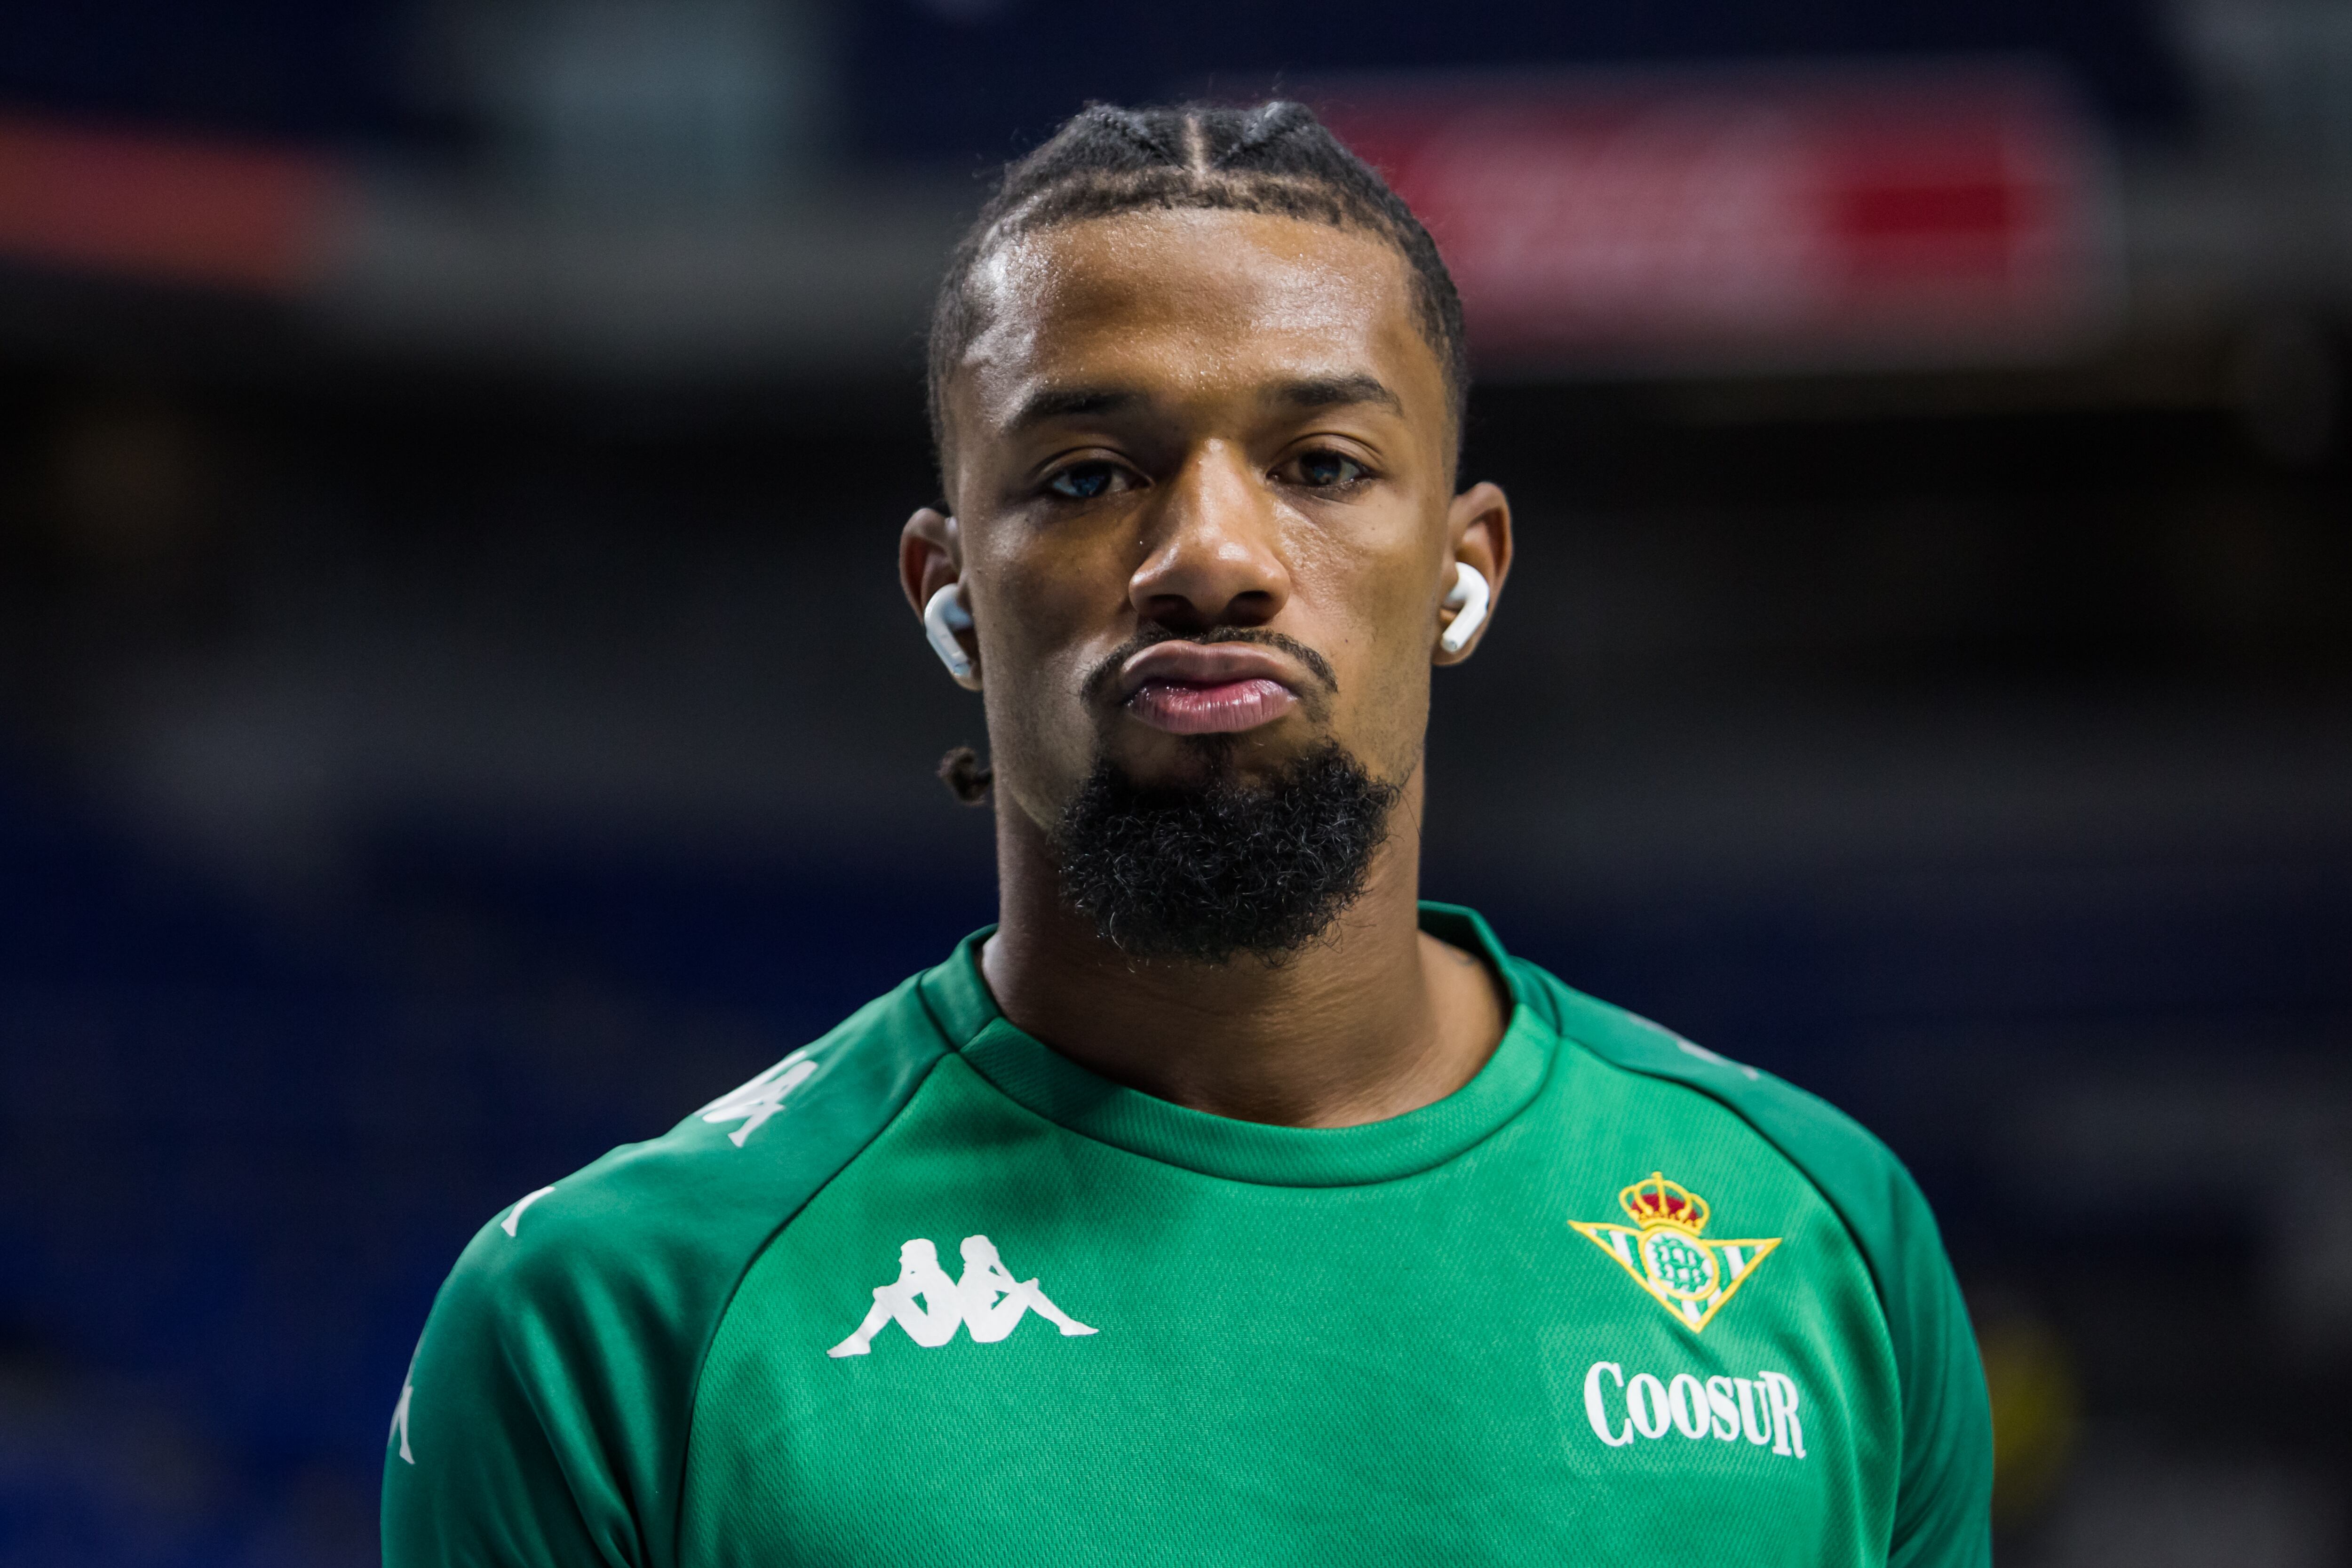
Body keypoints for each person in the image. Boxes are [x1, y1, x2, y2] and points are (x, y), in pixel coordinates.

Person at [382, 100, 1991, 1566]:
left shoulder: (1822, 1236)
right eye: (1088, 476)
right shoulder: (608, 1323)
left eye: (1323, 465)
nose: (1212, 556)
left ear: (1465, 569)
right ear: (951, 592)